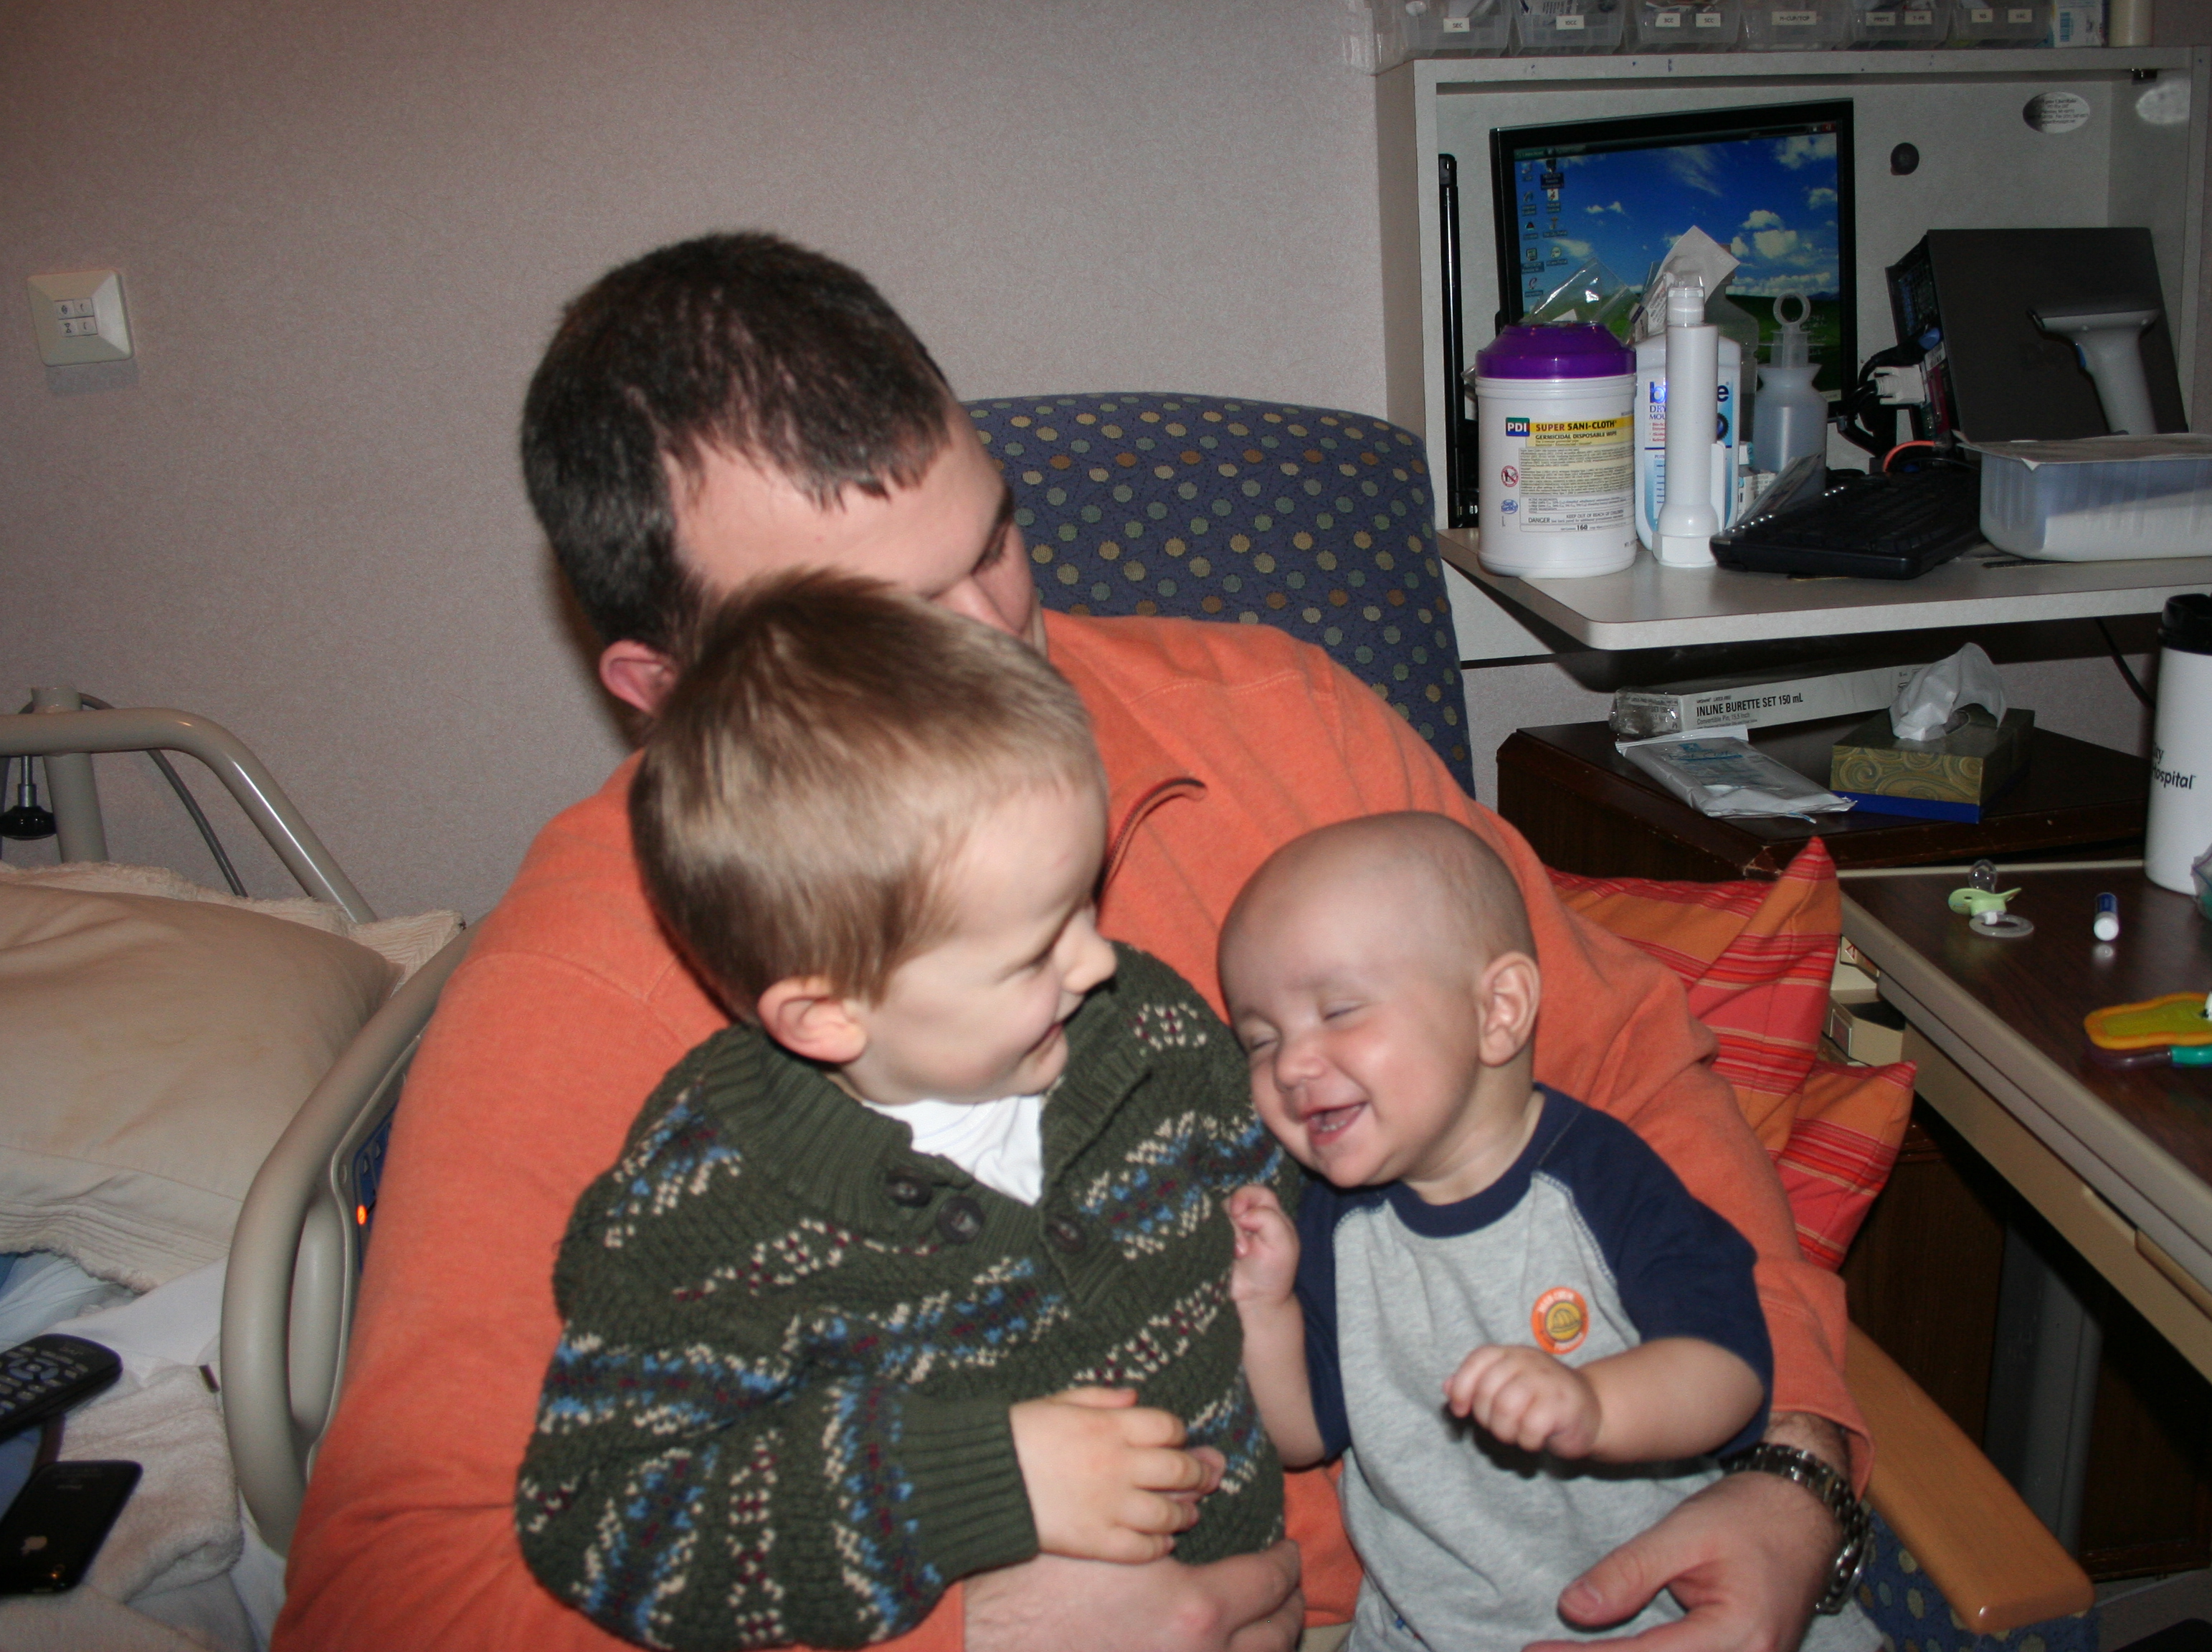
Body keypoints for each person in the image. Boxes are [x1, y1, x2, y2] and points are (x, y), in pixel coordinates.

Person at [276, 232, 1869, 1652]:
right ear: (665, 690)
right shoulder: (580, 981)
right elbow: (386, 1595)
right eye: (877, 627)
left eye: (991, 544)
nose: (998, 645)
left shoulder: (1282, 721)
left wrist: (1796, 1464)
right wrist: (961, 1632)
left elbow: (1622, 1065)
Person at [514, 574, 1288, 1648]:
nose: (1097, 960)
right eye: (1034, 949)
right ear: (828, 1016)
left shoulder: (1144, 1032)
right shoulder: (711, 1207)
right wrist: (975, 1480)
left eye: (1084, 900)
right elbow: (602, 1518)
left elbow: (1305, 1200)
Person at [1221, 815, 1879, 1651]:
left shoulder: (1603, 1178)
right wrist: (1263, 1309)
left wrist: (1598, 1405)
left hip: (1663, 1614)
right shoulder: (1335, 1223)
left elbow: (1731, 1372)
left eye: (1338, 1011)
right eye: (1261, 1041)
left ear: (1498, 1010)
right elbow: (1305, 1433)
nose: (1289, 1066)